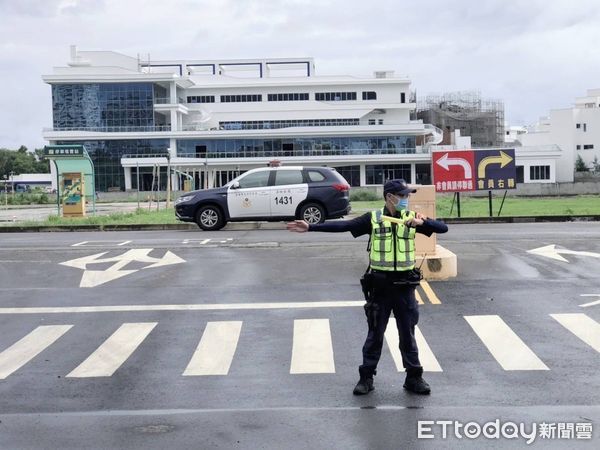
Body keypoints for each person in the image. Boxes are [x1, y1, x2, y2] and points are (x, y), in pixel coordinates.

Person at [287, 179, 448, 395]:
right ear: (390, 197)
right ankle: (366, 378)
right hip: (380, 287)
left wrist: (423, 224)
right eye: (402, 196)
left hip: (404, 287)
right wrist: (312, 227)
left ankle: (414, 377)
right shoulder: (374, 219)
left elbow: (443, 228)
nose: (406, 199)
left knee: (407, 334)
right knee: (375, 334)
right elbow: (344, 226)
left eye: (407, 195)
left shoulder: (412, 219)